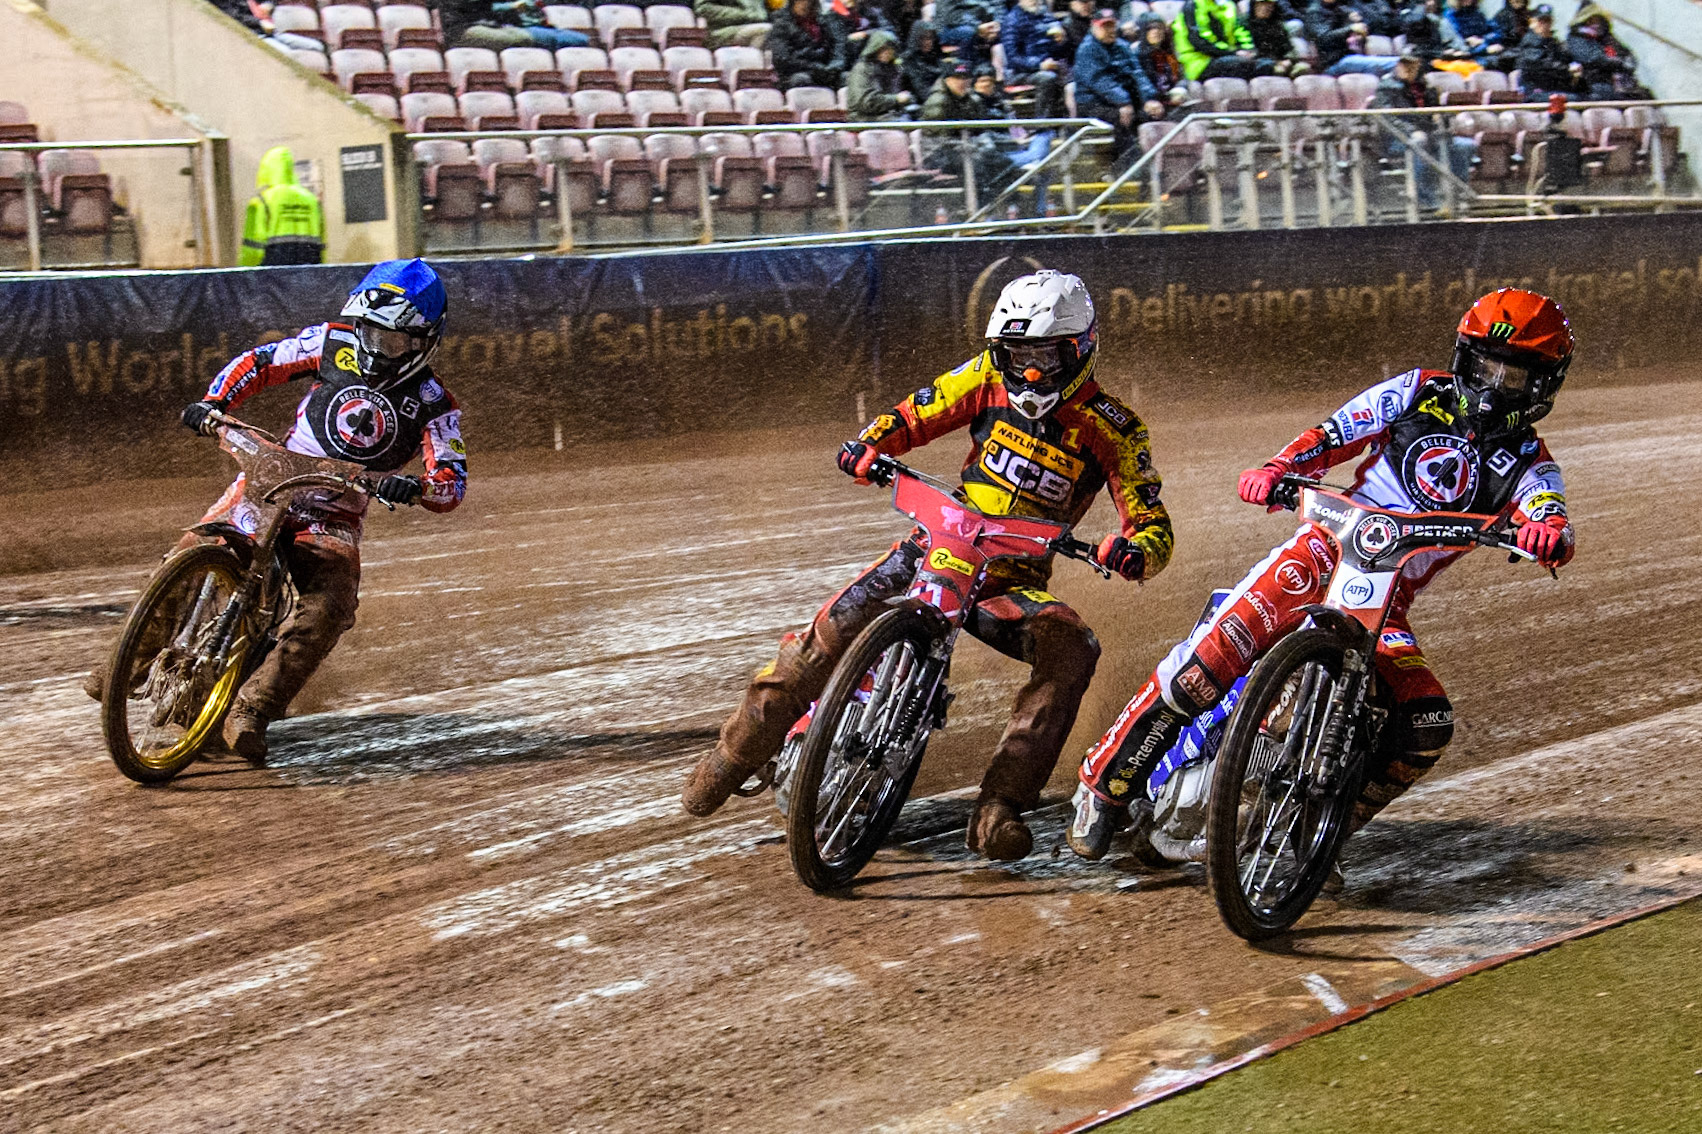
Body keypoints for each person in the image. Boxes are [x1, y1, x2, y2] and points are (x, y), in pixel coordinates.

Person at [1066, 289, 1576, 865]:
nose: (1492, 383)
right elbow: (1336, 433)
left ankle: (1313, 839)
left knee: (1427, 721)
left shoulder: (1532, 461)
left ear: (1541, 386)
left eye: (1512, 376)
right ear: (1464, 356)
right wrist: (1279, 469)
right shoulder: (1417, 389)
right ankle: (1104, 786)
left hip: (1388, 602)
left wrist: (1549, 533)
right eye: (1486, 364)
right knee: (1202, 669)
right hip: (1322, 552)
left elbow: (1549, 510)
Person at [682, 271, 1174, 861]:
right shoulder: (985, 377)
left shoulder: (1115, 429)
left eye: (1045, 356)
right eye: (1016, 355)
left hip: (1011, 582)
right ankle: (732, 755)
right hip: (936, 546)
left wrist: (1136, 550)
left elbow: (1151, 520)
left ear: (1080, 348)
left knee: (1073, 649)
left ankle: (999, 807)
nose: (1030, 372)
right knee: (822, 641)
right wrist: (871, 445)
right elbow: (919, 411)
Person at [84, 261, 467, 764]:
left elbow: (453, 481)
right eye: (368, 332)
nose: (374, 348)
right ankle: (129, 660)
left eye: (391, 341)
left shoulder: (436, 405)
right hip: (273, 478)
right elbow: (261, 361)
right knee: (196, 547)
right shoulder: (332, 341)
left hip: (334, 512)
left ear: (424, 342)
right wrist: (214, 401)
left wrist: (416, 487)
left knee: (327, 607)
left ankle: (254, 708)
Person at [1370, 52, 1475, 209]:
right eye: (1404, 64)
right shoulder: (1386, 88)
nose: (1408, 68)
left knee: (1465, 145)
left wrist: (1443, 118)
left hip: (1430, 135)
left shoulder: (1426, 87)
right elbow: (1387, 119)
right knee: (1420, 141)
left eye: (1413, 64)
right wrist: (1411, 131)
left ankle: (1456, 194)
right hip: (1397, 139)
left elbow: (1437, 111)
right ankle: (1423, 198)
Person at [1074, 10, 1164, 170]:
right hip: (1093, 103)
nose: (1110, 30)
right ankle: (1131, 171)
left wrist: (1149, 98)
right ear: (1094, 27)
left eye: (1113, 25)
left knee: (1151, 114)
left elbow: (1138, 75)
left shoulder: (1122, 46)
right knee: (1120, 119)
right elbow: (1099, 81)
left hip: (1122, 101)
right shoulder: (1087, 50)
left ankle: (1159, 168)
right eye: (1105, 26)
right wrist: (1123, 102)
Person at [240, 146, 324, 268]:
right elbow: (322, 246)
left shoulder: (261, 201)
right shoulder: (312, 201)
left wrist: (244, 275)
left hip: (273, 278)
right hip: (309, 275)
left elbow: (253, 249)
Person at [1001, 0, 1071, 120]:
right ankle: (1043, 123)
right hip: (1020, 72)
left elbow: (1058, 50)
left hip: (1050, 63)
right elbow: (1013, 58)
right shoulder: (1012, 21)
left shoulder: (1047, 16)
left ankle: (1071, 122)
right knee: (1047, 77)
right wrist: (1039, 65)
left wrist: (1061, 41)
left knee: (1074, 74)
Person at [1565, 3, 1650, 102]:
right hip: (1593, 83)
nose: (1596, 23)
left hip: (1619, 84)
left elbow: (1628, 57)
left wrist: (1623, 63)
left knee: (1645, 95)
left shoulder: (1607, 39)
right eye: (1592, 19)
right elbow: (1592, 58)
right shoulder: (1576, 38)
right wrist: (1617, 63)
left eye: (1598, 19)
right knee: (1603, 92)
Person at [1172, 0, 1261, 82]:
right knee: (1243, 65)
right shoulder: (1193, 5)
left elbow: (1240, 31)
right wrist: (1234, 52)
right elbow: (1199, 42)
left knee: (1265, 65)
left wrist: (1248, 49)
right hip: (1199, 62)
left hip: (1226, 56)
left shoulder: (1228, 5)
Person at [1304, 0, 1399, 75]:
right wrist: (1350, 28)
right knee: (1397, 63)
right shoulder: (1314, 12)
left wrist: (1355, 23)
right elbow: (1323, 38)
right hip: (1333, 63)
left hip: (1350, 57)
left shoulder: (1342, 8)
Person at [460, 0, 592, 50]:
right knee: (570, 39)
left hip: (520, 24)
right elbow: (477, 12)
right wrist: (510, 7)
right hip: (476, 27)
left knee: (578, 39)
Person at [771, 0, 845, 89]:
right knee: (801, 80)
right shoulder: (781, 25)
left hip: (824, 71)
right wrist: (813, 67)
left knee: (848, 78)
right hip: (797, 72)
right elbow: (782, 59)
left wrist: (834, 65)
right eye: (800, 1)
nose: (805, 5)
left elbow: (838, 46)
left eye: (809, 1)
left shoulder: (824, 22)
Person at [846, 29, 915, 119]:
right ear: (875, 48)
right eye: (883, 48)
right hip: (864, 117)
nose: (888, 52)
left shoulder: (894, 69)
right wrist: (896, 99)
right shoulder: (862, 69)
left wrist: (906, 99)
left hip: (887, 114)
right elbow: (866, 102)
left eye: (891, 48)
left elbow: (905, 94)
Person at [1516, 8, 1581, 98]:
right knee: (1574, 99)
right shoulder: (1530, 41)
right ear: (1532, 22)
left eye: (1547, 21)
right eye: (1540, 21)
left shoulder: (1552, 42)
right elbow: (1542, 64)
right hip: (1534, 91)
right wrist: (1567, 69)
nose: (1545, 25)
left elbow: (1565, 57)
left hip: (1551, 88)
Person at [1401, 0, 1480, 76]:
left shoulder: (1441, 22)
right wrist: (1442, 54)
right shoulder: (1414, 23)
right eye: (1427, 1)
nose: (1431, 3)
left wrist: (1461, 51)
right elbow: (1417, 51)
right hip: (1428, 62)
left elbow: (1456, 42)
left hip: (1449, 59)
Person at [1133, 14, 1190, 113]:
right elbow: (1140, 85)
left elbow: (1182, 76)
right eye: (1150, 28)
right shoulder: (1135, 54)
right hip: (1149, 103)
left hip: (1172, 99)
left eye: (1159, 27)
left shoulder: (1169, 53)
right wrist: (1165, 98)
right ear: (1143, 31)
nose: (1156, 31)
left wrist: (1179, 89)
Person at [1245, 0, 1310, 77]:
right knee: (1269, 65)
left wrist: (1289, 60)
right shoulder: (1246, 24)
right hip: (1257, 61)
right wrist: (1277, 62)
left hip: (1278, 61)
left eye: (1269, 5)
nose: (1265, 8)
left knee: (1302, 66)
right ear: (1253, 6)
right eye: (1261, 4)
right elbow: (1252, 50)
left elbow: (1286, 47)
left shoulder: (1277, 25)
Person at [826, 0, 893, 73]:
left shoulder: (868, 10)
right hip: (850, 59)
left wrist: (865, 33)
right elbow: (840, 43)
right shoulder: (833, 15)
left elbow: (888, 29)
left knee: (883, 36)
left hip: (871, 55)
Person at [1443, 0, 1505, 65]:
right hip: (1464, 59)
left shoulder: (1478, 14)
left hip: (1483, 53)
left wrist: (1483, 40)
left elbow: (1497, 33)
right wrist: (1485, 49)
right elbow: (1458, 45)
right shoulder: (1450, 17)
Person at [696, 0, 772, 51]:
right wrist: (744, 15)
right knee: (765, 30)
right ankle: (752, 68)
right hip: (722, 31)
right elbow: (703, 9)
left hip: (756, 25)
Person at [901, 20, 946, 105]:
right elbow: (921, 91)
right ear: (916, 38)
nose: (928, 42)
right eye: (923, 38)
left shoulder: (936, 56)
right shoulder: (908, 60)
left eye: (930, 38)